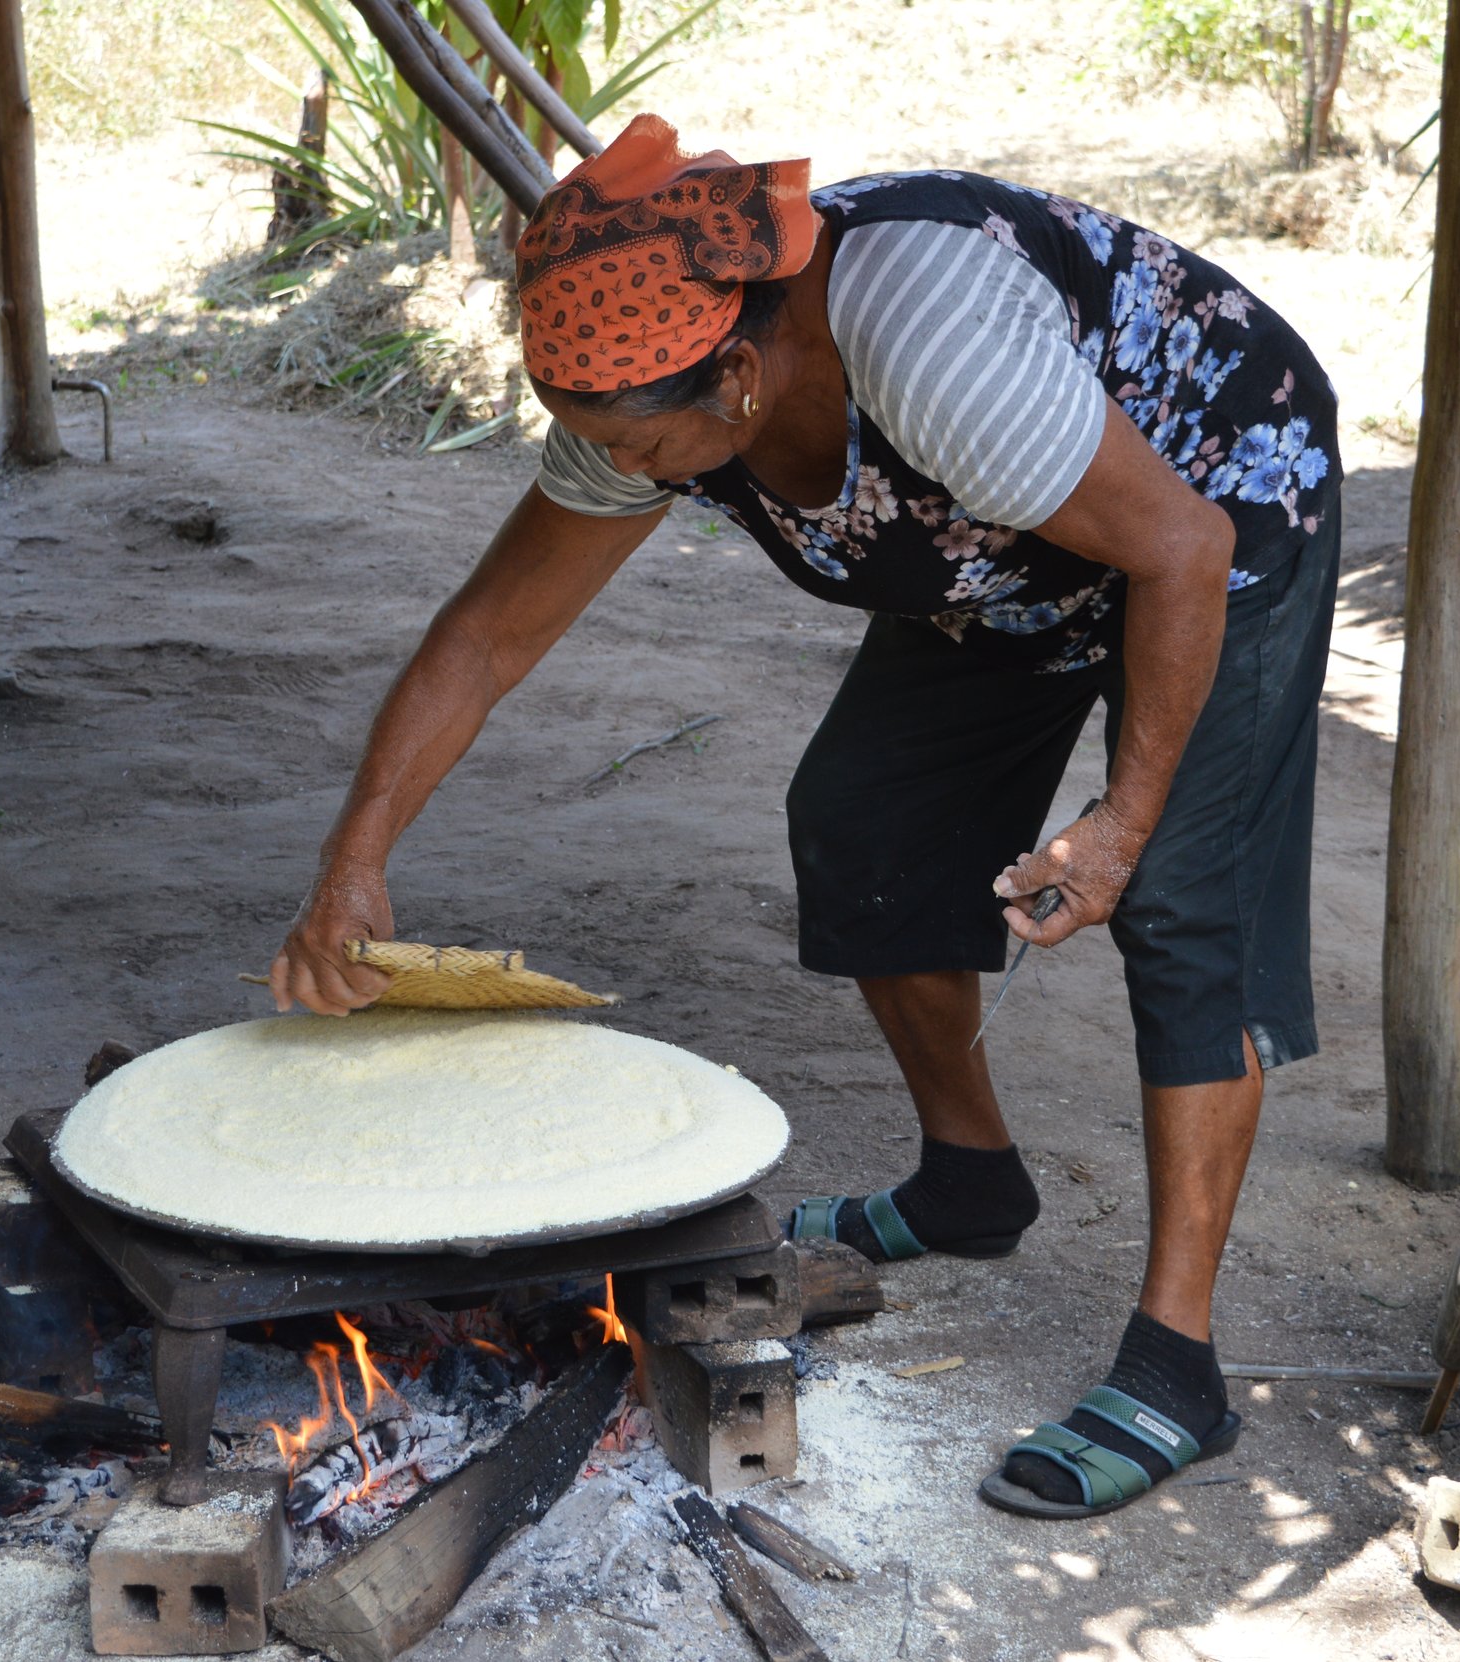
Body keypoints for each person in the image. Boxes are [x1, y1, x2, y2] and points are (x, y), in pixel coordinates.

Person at [269, 115, 1341, 1522]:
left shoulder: (932, 347)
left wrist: (1121, 827)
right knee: (867, 824)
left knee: (1189, 912)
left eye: (648, 446)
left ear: (740, 370)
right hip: (1006, 557)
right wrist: (354, 859)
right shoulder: (645, 386)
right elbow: (485, 635)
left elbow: (1178, 547)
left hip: (1216, 500)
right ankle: (968, 1183)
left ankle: (1178, 1363)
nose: (626, 473)